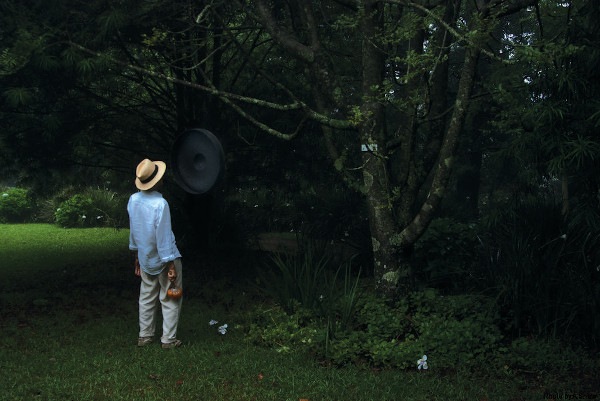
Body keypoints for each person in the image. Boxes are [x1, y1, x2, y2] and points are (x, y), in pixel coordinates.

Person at [127, 158, 183, 349]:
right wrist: (171, 265)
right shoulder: (161, 204)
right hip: (163, 257)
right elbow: (164, 236)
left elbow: (134, 231)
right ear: (157, 181)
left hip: (145, 257)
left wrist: (136, 256)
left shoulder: (133, 200)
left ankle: (145, 336)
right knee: (170, 297)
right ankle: (168, 339)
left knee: (146, 296)